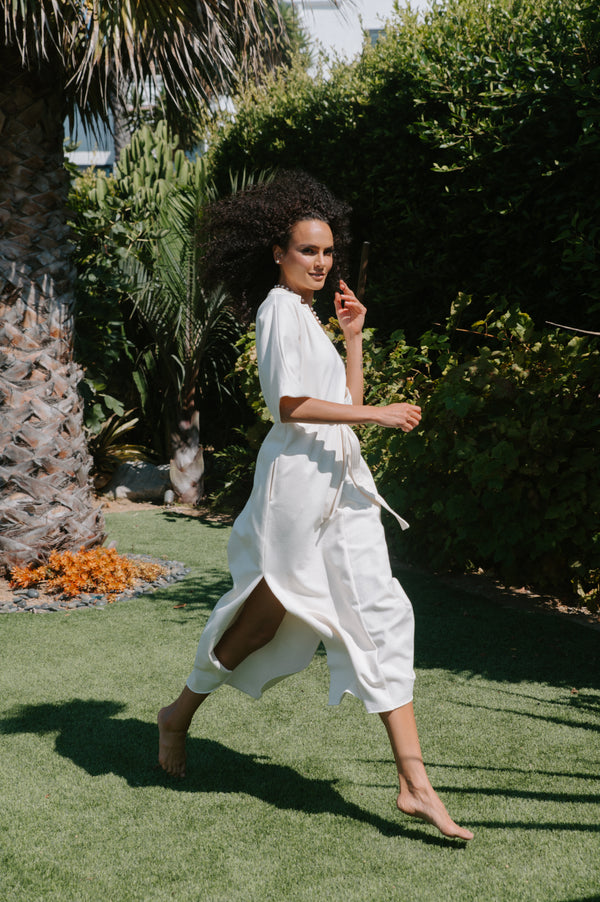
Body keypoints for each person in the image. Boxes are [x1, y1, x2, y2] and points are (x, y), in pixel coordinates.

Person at [158, 171, 474, 842]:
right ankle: (178, 713)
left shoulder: (307, 316)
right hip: (297, 488)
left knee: (382, 613)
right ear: (279, 252)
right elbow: (290, 407)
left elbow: (338, 406)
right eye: (308, 251)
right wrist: (379, 413)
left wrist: (354, 337)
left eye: (328, 252)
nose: (321, 263)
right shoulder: (276, 310)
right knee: (259, 624)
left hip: (344, 484)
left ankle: (414, 785)